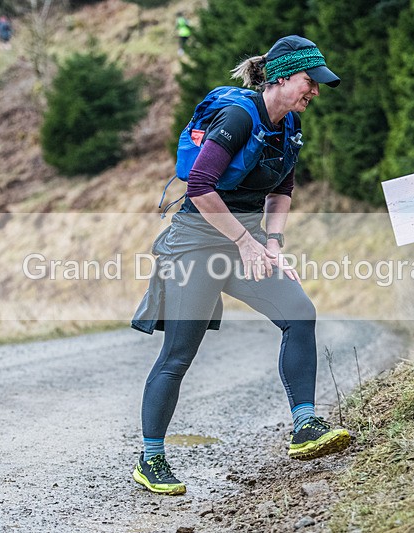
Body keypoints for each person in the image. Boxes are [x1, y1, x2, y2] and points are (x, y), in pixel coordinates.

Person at [130, 35, 350, 496]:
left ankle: (305, 425)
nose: (315, 92)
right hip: (194, 244)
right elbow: (200, 187)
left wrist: (272, 244)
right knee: (178, 356)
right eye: (311, 82)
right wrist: (246, 243)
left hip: (244, 242)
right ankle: (151, 460)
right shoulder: (236, 117)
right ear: (284, 76)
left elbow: (281, 191)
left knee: (299, 314)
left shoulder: (288, 126)